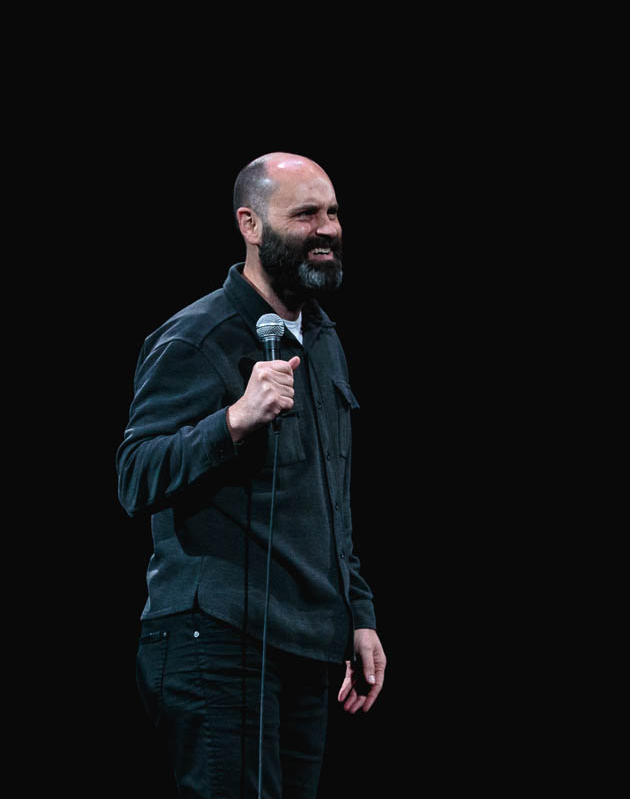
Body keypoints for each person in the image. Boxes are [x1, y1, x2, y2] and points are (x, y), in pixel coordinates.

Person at [118, 152, 386, 798]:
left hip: (307, 645)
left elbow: (331, 497)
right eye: (305, 215)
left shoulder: (322, 341)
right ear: (250, 224)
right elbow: (135, 476)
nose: (327, 229)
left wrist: (358, 612)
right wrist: (234, 420)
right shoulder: (196, 337)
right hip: (217, 639)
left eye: (333, 213)